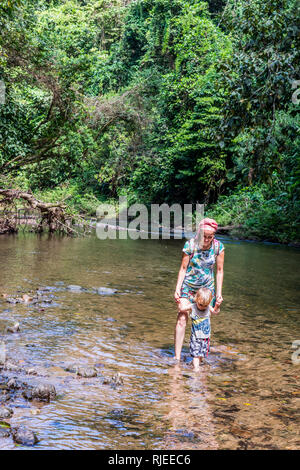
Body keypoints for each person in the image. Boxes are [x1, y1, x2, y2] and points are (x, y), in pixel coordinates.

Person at [174, 217, 225, 361]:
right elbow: (183, 268)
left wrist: (219, 294)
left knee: (202, 321)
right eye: (205, 236)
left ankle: (198, 357)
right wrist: (178, 288)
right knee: (182, 316)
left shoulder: (218, 247)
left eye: (210, 236)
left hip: (206, 289)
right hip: (188, 286)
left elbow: (219, 271)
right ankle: (177, 357)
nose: (207, 239)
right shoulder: (190, 245)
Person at [178, 287, 220, 370]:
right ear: (196, 299)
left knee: (201, 355)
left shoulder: (208, 308)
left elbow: (215, 312)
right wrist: (179, 301)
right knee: (196, 355)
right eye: (200, 304)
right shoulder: (192, 307)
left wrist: (217, 305)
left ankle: (196, 365)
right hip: (195, 337)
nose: (202, 307)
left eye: (205, 305)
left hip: (206, 338)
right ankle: (196, 370)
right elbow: (182, 309)